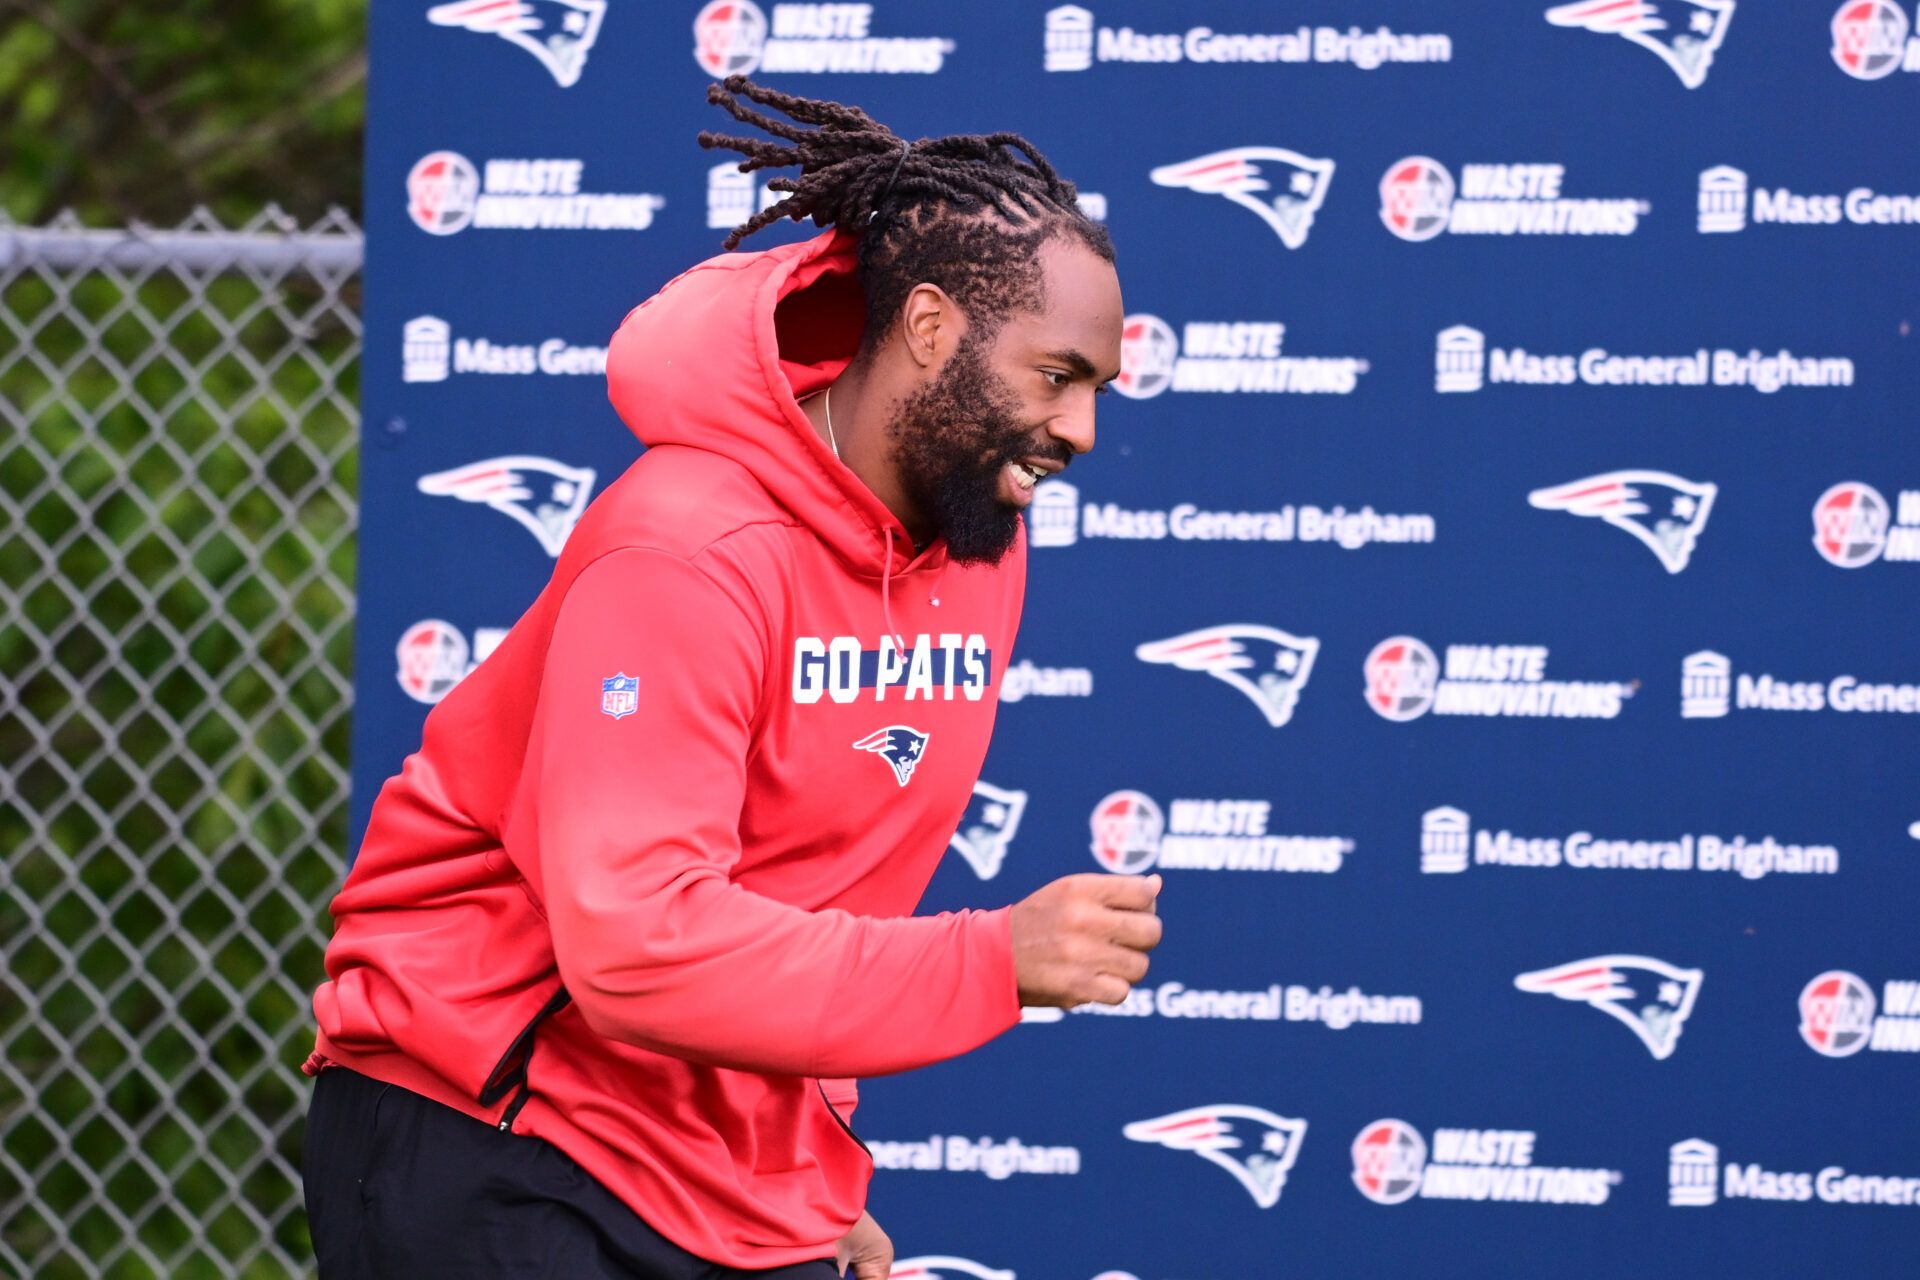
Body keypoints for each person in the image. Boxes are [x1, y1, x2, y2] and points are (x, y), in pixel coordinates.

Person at [302, 78, 1162, 1279]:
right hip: (499, 1131)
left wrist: (793, 1164)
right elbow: (636, 943)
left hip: (712, 1165)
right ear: (928, 329)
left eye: (1097, 391)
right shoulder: (688, 547)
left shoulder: (979, 552)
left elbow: (824, 885)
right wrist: (990, 957)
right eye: (1056, 374)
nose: (1081, 430)